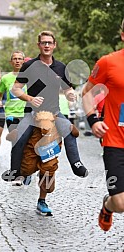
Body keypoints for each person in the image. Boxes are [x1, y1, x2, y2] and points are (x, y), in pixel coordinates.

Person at [8, 30, 88, 213]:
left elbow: (68, 89)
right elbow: (16, 89)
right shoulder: (30, 66)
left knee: (69, 131)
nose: (46, 45)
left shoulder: (61, 67)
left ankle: (76, 164)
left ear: (54, 45)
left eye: (49, 43)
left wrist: (70, 95)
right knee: (19, 137)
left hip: (54, 113)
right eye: (43, 42)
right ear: (38, 45)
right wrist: (29, 98)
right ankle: (16, 172)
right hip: (32, 113)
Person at [82, 19, 124, 232]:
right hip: (115, 141)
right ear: (123, 35)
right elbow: (87, 93)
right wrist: (93, 120)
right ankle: (108, 205)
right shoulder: (108, 62)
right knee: (120, 204)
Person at [0, 51, 30, 182]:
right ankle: (16, 172)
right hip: (11, 115)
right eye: (15, 59)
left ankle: (27, 171)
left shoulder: (30, 77)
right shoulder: (5, 78)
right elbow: (0, 94)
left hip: (27, 114)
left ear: (23, 61)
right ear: (11, 62)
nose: (17, 61)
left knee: (27, 143)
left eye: (20, 59)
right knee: (16, 141)